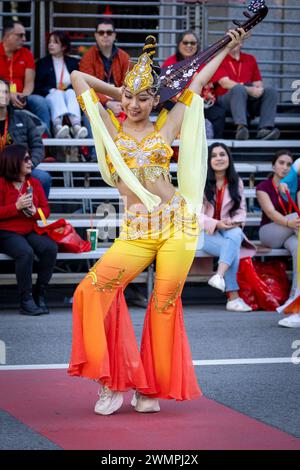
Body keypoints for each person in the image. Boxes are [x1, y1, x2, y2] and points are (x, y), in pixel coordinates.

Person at [67, 29, 246, 415]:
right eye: (129, 96)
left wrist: (229, 45)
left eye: (143, 98)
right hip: (135, 232)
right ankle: (110, 381)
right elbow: (78, 79)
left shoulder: (165, 126)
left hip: (176, 226)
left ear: (156, 99)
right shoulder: (109, 125)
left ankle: (149, 390)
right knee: (89, 292)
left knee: (164, 305)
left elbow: (198, 81)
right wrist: (126, 92)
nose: (133, 104)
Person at [0, 144, 57, 315]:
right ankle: (26, 300)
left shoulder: (34, 183)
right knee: (25, 252)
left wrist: (35, 212)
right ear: (13, 161)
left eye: (30, 158)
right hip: (6, 231)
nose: (30, 162)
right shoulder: (2, 184)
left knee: (50, 248)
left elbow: (45, 211)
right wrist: (16, 207)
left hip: (28, 228)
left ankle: (40, 293)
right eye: (26, 159)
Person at [201, 142, 254, 312]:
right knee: (233, 247)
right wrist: (217, 224)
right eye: (214, 155)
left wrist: (232, 222)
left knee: (236, 233)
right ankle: (233, 297)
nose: (218, 158)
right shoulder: (200, 182)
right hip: (202, 234)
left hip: (227, 231)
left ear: (228, 158)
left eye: (222, 154)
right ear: (208, 161)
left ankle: (219, 275)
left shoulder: (235, 182)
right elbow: (193, 215)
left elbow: (241, 210)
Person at [256, 150, 300, 328]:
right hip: (271, 232)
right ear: (274, 165)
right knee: (296, 218)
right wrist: (290, 223)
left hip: (293, 231)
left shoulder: (296, 184)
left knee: (298, 247)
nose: (285, 167)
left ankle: (294, 296)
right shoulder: (263, 187)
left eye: (289, 164)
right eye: (281, 163)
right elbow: (270, 213)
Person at [79, 18, 130, 160]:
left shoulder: (124, 57)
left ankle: (124, 155)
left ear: (115, 35)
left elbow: (129, 85)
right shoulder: (87, 57)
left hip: (120, 101)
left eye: (109, 32)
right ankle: (96, 156)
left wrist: (122, 102)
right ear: (96, 35)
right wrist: (107, 103)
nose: (105, 35)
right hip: (97, 102)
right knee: (91, 112)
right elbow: (86, 88)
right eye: (101, 32)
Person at [162, 30, 226, 139]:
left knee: (219, 113)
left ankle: (215, 147)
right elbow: (165, 87)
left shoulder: (203, 63)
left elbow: (213, 84)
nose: (189, 46)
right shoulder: (170, 62)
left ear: (197, 45)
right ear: (179, 45)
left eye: (192, 43)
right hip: (177, 104)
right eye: (185, 42)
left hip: (200, 104)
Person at [213, 42, 280, 141]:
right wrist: (247, 88)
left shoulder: (250, 59)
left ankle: (265, 129)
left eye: (236, 39)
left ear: (241, 43)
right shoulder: (219, 59)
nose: (233, 42)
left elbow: (258, 83)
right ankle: (241, 128)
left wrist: (256, 89)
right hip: (226, 99)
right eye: (230, 39)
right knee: (237, 89)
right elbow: (225, 83)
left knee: (271, 91)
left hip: (247, 98)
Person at [0, 77, 52, 198]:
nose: (3, 95)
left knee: (43, 178)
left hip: (20, 168)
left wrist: (29, 165)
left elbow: (38, 146)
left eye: (6, 92)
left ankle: (36, 213)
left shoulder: (23, 118)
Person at [0, 20, 51, 133]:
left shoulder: (26, 54)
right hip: (1, 95)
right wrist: (8, 94)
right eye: (20, 35)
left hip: (22, 96)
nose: (24, 39)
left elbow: (29, 83)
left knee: (40, 101)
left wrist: (22, 95)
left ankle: (47, 139)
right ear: (8, 36)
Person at [34, 31, 88, 139]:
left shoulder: (73, 63)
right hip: (51, 96)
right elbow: (37, 86)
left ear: (63, 46)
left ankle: (76, 126)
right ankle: (57, 126)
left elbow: (79, 82)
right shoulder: (43, 63)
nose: (51, 45)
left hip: (69, 96)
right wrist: (51, 90)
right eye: (49, 42)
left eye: (55, 42)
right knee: (57, 93)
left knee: (71, 92)